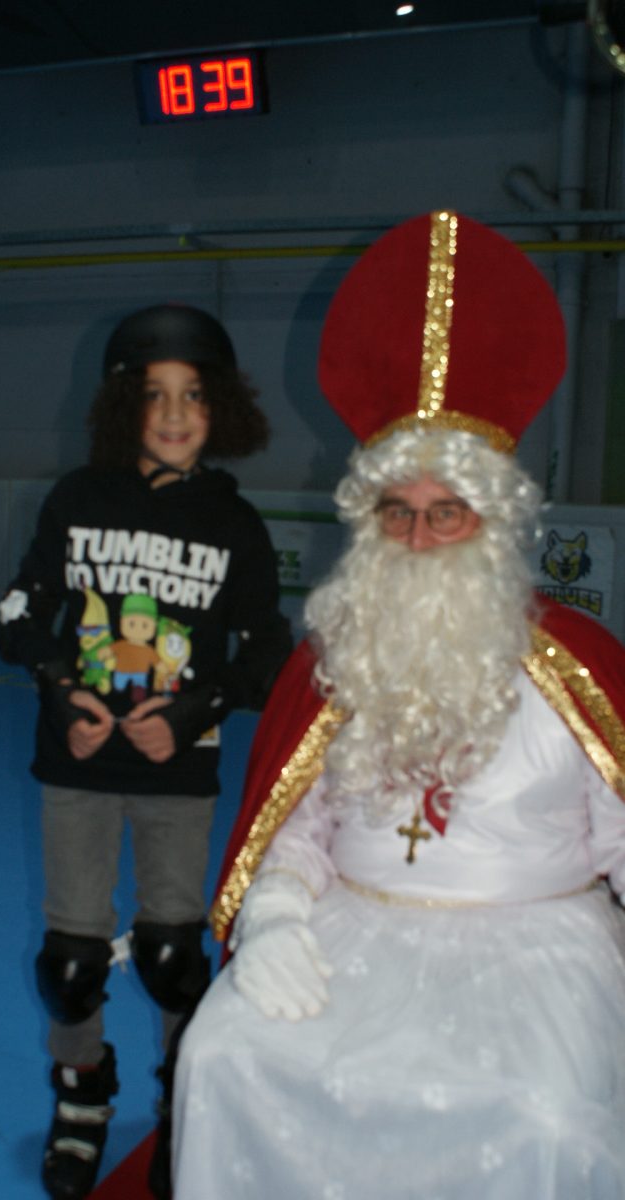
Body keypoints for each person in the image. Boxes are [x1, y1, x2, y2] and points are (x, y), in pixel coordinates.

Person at [171, 212, 625, 1200]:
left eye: (444, 514)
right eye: (397, 513)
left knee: (543, 1113)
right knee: (221, 1054)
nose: (418, 539)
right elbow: (297, 830)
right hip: (353, 930)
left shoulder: (577, 669)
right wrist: (275, 918)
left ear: (489, 521)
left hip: (535, 946)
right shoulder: (337, 661)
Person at [0, 303, 292, 1200]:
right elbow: (19, 612)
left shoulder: (235, 525)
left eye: (193, 395)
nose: (173, 414)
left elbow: (266, 652)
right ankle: (81, 1094)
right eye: (155, 394)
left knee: (173, 956)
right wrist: (60, 686)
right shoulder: (77, 499)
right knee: (72, 962)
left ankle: (181, 1100)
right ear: (125, 405)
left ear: (221, 408)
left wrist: (198, 706)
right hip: (77, 767)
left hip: (178, 773)